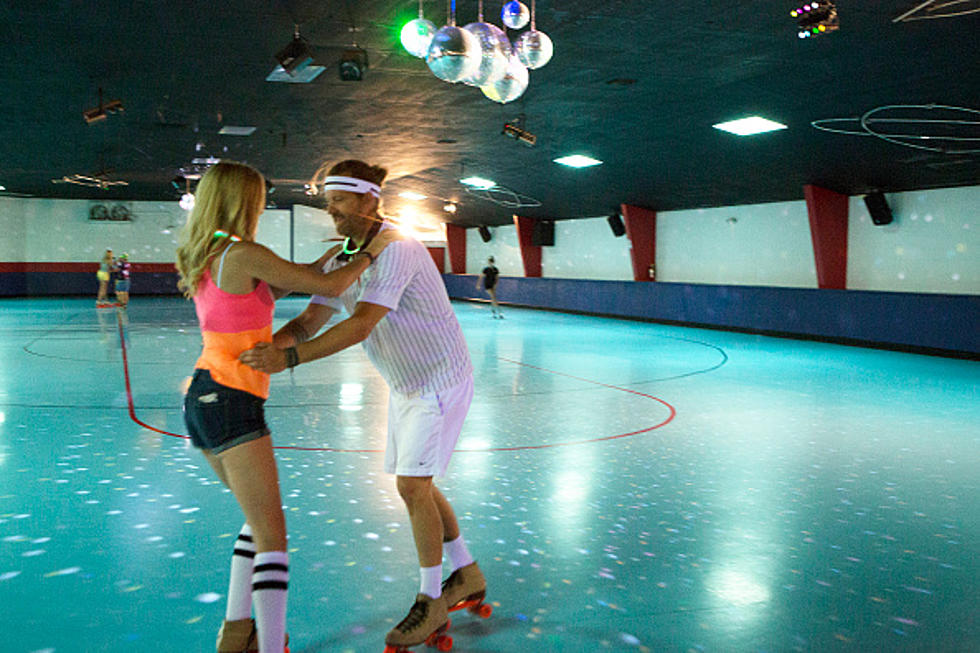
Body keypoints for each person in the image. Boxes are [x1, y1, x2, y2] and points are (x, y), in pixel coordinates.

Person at [239, 159, 486, 651]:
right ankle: (468, 574)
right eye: (328, 201)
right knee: (416, 484)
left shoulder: (397, 249)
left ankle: (431, 599)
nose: (330, 210)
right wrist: (255, 353)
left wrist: (286, 359)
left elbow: (360, 325)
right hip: (407, 384)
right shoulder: (345, 257)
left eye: (339, 200)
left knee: (413, 485)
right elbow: (311, 321)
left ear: (370, 199)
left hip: (439, 381)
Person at [175, 161, 396, 653]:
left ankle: (237, 633)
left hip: (207, 397)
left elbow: (297, 281)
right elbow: (331, 288)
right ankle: (270, 644)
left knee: (257, 522)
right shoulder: (244, 252)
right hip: (232, 401)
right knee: (273, 538)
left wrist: (337, 256)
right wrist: (370, 253)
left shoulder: (215, 254)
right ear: (241, 201)